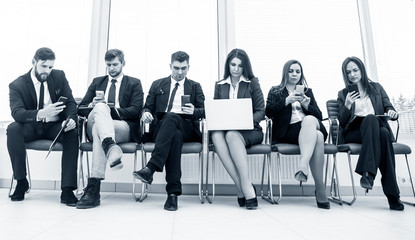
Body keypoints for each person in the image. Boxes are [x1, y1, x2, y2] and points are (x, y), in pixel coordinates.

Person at [133, 51, 205, 211]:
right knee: (174, 136)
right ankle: (172, 195)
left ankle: (151, 167)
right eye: (176, 68)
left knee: (173, 119)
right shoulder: (157, 84)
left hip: (187, 126)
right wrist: (145, 113)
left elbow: (205, 111)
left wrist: (195, 111)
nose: (180, 72)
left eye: (184, 68)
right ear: (170, 66)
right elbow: (147, 107)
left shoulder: (195, 86)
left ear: (189, 67)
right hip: (161, 128)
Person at [7, 47, 79, 206]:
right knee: (12, 129)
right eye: (44, 66)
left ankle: (67, 189)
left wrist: (70, 119)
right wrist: (40, 113)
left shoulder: (59, 76)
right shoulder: (17, 84)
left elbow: (71, 103)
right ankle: (21, 182)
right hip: (31, 127)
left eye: (50, 67)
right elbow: (17, 113)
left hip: (54, 126)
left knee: (72, 132)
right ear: (34, 62)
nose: (47, 71)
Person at [76, 49, 144, 209]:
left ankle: (93, 188)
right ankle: (110, 145)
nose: (112, 68)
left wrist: (110, 110)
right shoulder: (97, 82)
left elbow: (136, 110)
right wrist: (94, 105)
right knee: (99, 107)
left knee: (99, 127)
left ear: (123, 63)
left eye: (115, 64)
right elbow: (81, 108)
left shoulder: (134, 83)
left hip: (121, 126)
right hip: (98, 122)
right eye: (108, 65)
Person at [337, 56, 404, 211]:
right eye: (348, 72)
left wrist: (392, 113)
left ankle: (369, 175)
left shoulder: (376, 88)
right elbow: (341, 122)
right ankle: (392, 195)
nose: (352, 74)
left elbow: (389, 107)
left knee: (382, 133)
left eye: (355, 70)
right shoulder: (342, 94)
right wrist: (347, 105)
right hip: (354, 131)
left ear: (362, 70)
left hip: (376, 128)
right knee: (372, 122)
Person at [266, 60, 330, 209]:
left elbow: (319, 116)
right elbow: (268, 112)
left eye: (298, 71)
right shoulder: (275, 91)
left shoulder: (308, 91)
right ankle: (320, 190)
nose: (294, 74)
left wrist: (307, 105)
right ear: (285, 72)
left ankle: (303, 164)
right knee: (318, 137)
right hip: (289, 131)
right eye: (291, 71)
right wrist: (286, 101)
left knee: (309, 120)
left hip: (309, 125)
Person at [210, 49, 264, 209]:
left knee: (232, 135)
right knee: (216, 135)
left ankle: (245, 188)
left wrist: (245, 122)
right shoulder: (219, 85)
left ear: (244, 67)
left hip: (250, 131)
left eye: (240, 66)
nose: (236, 68)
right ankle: (242, 186)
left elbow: (261, 110)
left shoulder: (252, 82)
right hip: (226, 130)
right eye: (233, 64)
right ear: (228, 65)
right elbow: (217, 111)